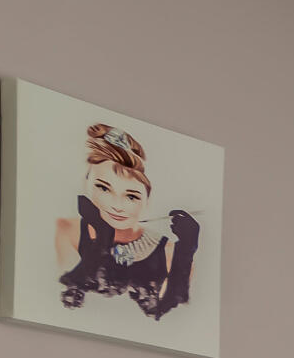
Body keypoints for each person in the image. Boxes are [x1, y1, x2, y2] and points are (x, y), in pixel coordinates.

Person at [55, 122, 202, 320]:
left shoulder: (169, 252)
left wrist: (186, 250)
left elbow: (171, 314)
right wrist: (102, 236)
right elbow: (64, 297)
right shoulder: (66, 231)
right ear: (86, 183)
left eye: (131, 196)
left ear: (147, 200)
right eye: (104, 189)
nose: (117, 205)